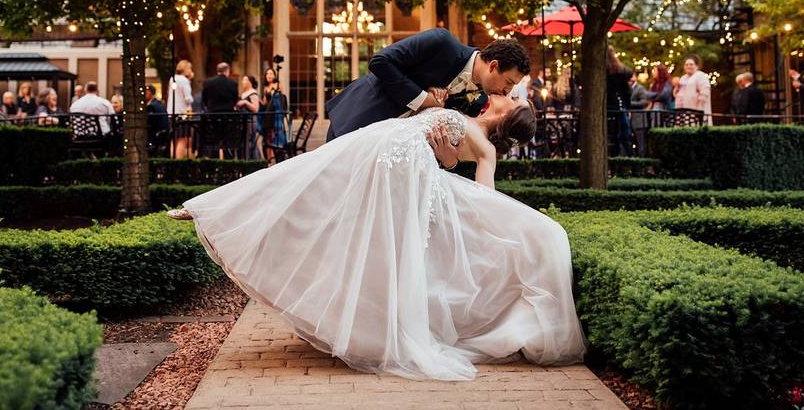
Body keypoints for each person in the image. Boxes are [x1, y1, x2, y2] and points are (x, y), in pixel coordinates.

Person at [167, 95, 585, 381]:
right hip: (383, 142)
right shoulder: (469, 117)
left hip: (399, 160)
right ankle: (215, 208)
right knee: (311, 179)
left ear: (508, 118)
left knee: (326, 195)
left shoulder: (486, 146)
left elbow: (485, 194)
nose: (510, 95)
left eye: (514, 100)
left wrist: (461, 181)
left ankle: (214, 210)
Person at [325, 30, 531, 161]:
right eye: (509, 82)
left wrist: (450, 162)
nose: (508, 91)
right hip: (357, 119)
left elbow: (457, 151)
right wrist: (423, 99)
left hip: (385, 155)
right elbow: (380, 62)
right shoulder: (442, 43)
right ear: (494, 65)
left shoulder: (480, 103)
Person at [606, 46, 632, 156]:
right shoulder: (620, 70)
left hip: (608, 107)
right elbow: (626, 92)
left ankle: (615, 161)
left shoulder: (604, 70)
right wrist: (628, 107)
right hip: (619, 106)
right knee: (621, 138)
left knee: (612, 137)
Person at [169, 60, 195, 159]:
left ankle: (172, 159)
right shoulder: (184, 80)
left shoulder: (172, 79)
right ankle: (179, 161)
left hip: (172, 112)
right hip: (182, 113)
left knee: (174, 139)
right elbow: (188, 98)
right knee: (182, 139)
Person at [675, 55, 712, 123]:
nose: (688, 66)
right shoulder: (683, 77)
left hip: (696, 110)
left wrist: (699, 108)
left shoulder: (701, 76)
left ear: (696, 66)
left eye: (691, 64)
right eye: (686, 65)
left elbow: (705, 91)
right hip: (682, 110)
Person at [237, 75, 261, 158]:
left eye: (244, 80)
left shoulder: (253, 93)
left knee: (251, 142)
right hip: (243, 120)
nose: (242, 82)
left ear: (249, 82)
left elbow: (255, 109)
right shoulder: (243, 93)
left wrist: (245, 103)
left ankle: (255, 160)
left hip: (251, 120)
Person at [145, 84, 170, 149]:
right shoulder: (159, 103)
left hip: (156, 136)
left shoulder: (151, 106)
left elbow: (150, 124)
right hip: (163, 135)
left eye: (146, 91)